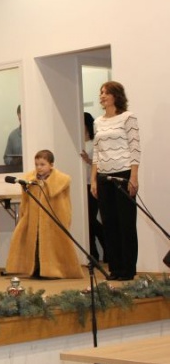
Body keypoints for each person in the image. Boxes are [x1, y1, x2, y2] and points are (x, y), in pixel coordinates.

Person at [5, 150, 84, 279]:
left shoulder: (60, 181)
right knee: (35, 244)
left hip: (52, 220)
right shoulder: (29, 180)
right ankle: (36, 269)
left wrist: (64, 218)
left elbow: (64, 203)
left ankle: (53, 270)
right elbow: (25, 200)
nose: (39, 167)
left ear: (51, 165)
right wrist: (24, 214)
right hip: (33, 219)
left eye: (42, 164)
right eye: (36, 164)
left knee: (52, 245)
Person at [91, 81, 140, 281]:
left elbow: (135, 148)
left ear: (116, 96)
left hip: (123, 174)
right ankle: (115, 268)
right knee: (109, 223)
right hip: (103, 176)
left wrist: (134, 176)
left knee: (125, 223)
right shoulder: (98, 122)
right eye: (101, 93)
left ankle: (128, 270)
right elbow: (96, 152)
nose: (102, 96)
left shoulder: (128, 117)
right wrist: (94, 179)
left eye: (106, 93)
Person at [80, 112, 105, 262]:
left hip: (92, 184)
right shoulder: (78, 142)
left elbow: (100, 164)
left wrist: (89, 160)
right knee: (87, 221)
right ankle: (93, 253)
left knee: (90, 219)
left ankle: (104, 248)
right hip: (80, 186)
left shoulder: (94, 142)